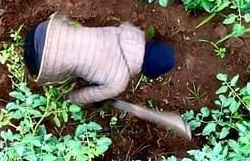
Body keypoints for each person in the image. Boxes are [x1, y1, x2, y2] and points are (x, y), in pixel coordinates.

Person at [24, 13, 176, 105]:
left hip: (44, 30)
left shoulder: (132, 31)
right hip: (40, 62)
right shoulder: (118, 83)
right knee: (69, 78)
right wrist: (89, 100)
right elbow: (78, 97)